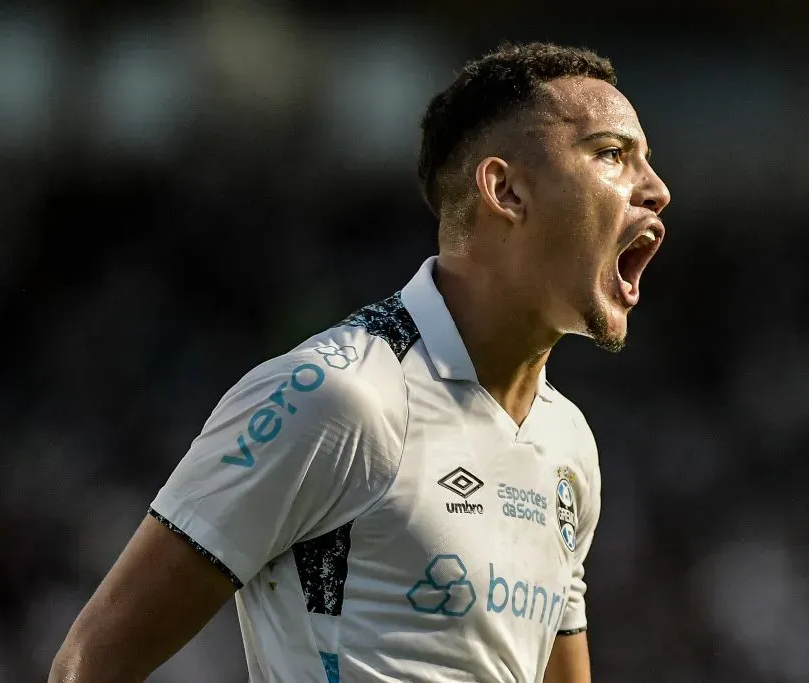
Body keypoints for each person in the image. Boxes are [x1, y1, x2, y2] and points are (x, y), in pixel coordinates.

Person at [49, 40, 670, 683]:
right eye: (612, 154)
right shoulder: (338, 397)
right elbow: (91, 664)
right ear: (505, 190)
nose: (657, 189)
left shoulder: (567, 442)